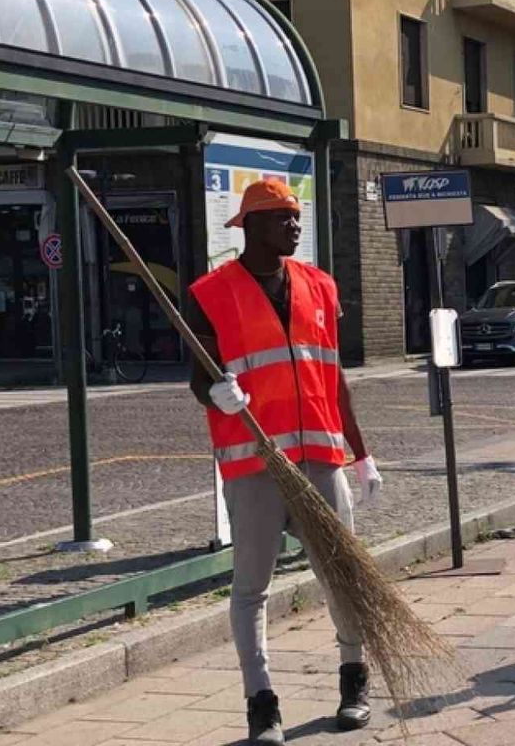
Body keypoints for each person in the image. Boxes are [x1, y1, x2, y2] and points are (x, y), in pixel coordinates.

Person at [188, 178, 383, 746]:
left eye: (296, 217)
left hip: (320, 459)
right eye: (281, 218)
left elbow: (333, 375)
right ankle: (261, 704)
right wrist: (214, 394)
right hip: (254, 464)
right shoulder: (211, 293)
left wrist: (362, 454)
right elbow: (199, 376)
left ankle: (354, 679)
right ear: (250, 225)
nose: (295, 227)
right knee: (252, 587)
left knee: (343, 574)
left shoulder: (319, 286)